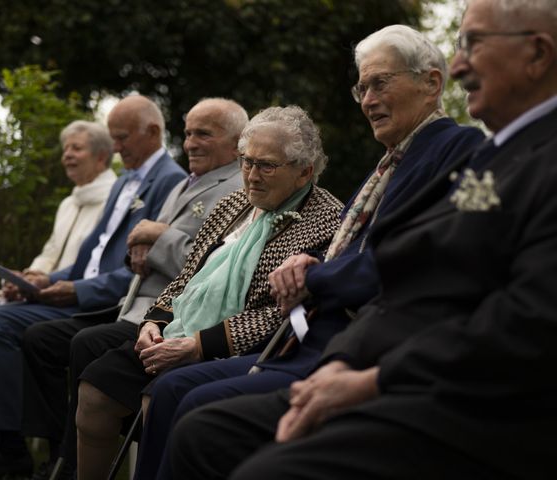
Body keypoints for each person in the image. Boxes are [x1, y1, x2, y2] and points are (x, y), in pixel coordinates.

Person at [170, 1, 557, 478]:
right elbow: (422, 271)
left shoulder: (475, 153)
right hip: (395, 364)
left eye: (473, 46)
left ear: (537, 53)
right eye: (363, 87)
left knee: (240, 450)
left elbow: (522, 319)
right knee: (204, 428)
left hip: (485, 409)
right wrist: (345, 360)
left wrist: (373, 376)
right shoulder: (494, 159)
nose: (458, 67)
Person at [74, 105, 344, 480]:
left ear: (304, 172)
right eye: (246, 162)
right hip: (178, 330)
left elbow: (282, 314)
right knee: (95, 391)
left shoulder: (327, 222)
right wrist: (154, 322)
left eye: (266, 166)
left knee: (161, 397)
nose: (250, 175)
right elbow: (187, 277)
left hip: (238, 347)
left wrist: (200, 344)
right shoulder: (232, 205)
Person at [0, 95, 187, 480]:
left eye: (121, 138)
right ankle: (14, 443)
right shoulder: (125, 182)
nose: (116, 147)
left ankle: (23, 450)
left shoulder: (170, 180)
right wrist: (45, 279)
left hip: (109, 301)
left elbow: (138, 270)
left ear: (153, 132)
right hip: (83, 290)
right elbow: (92, 253)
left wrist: (75, 291)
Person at [20, 97, 247, 479]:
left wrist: (159, 237)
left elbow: (210, 267)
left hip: (173, 315)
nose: (190, 143)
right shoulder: (189, 182)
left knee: (85, 344)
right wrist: (142, 248)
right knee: (55, 340)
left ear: (238, 141)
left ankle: (74, 462)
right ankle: (56, 455)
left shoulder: (237, 186)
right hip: (143, 304)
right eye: (188, 132)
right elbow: (135, 248)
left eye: (204, 134)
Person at [0, 120, 117, 418]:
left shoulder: (114, 200)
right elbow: (50, 251)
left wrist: (44, 283)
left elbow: (90, 265)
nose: (67, 155)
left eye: (76, 148)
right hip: (44, 288)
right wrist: (26, 277)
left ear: (101, 157)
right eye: (65, 149)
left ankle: (8, 437)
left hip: (71, 297)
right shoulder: (69, 202)